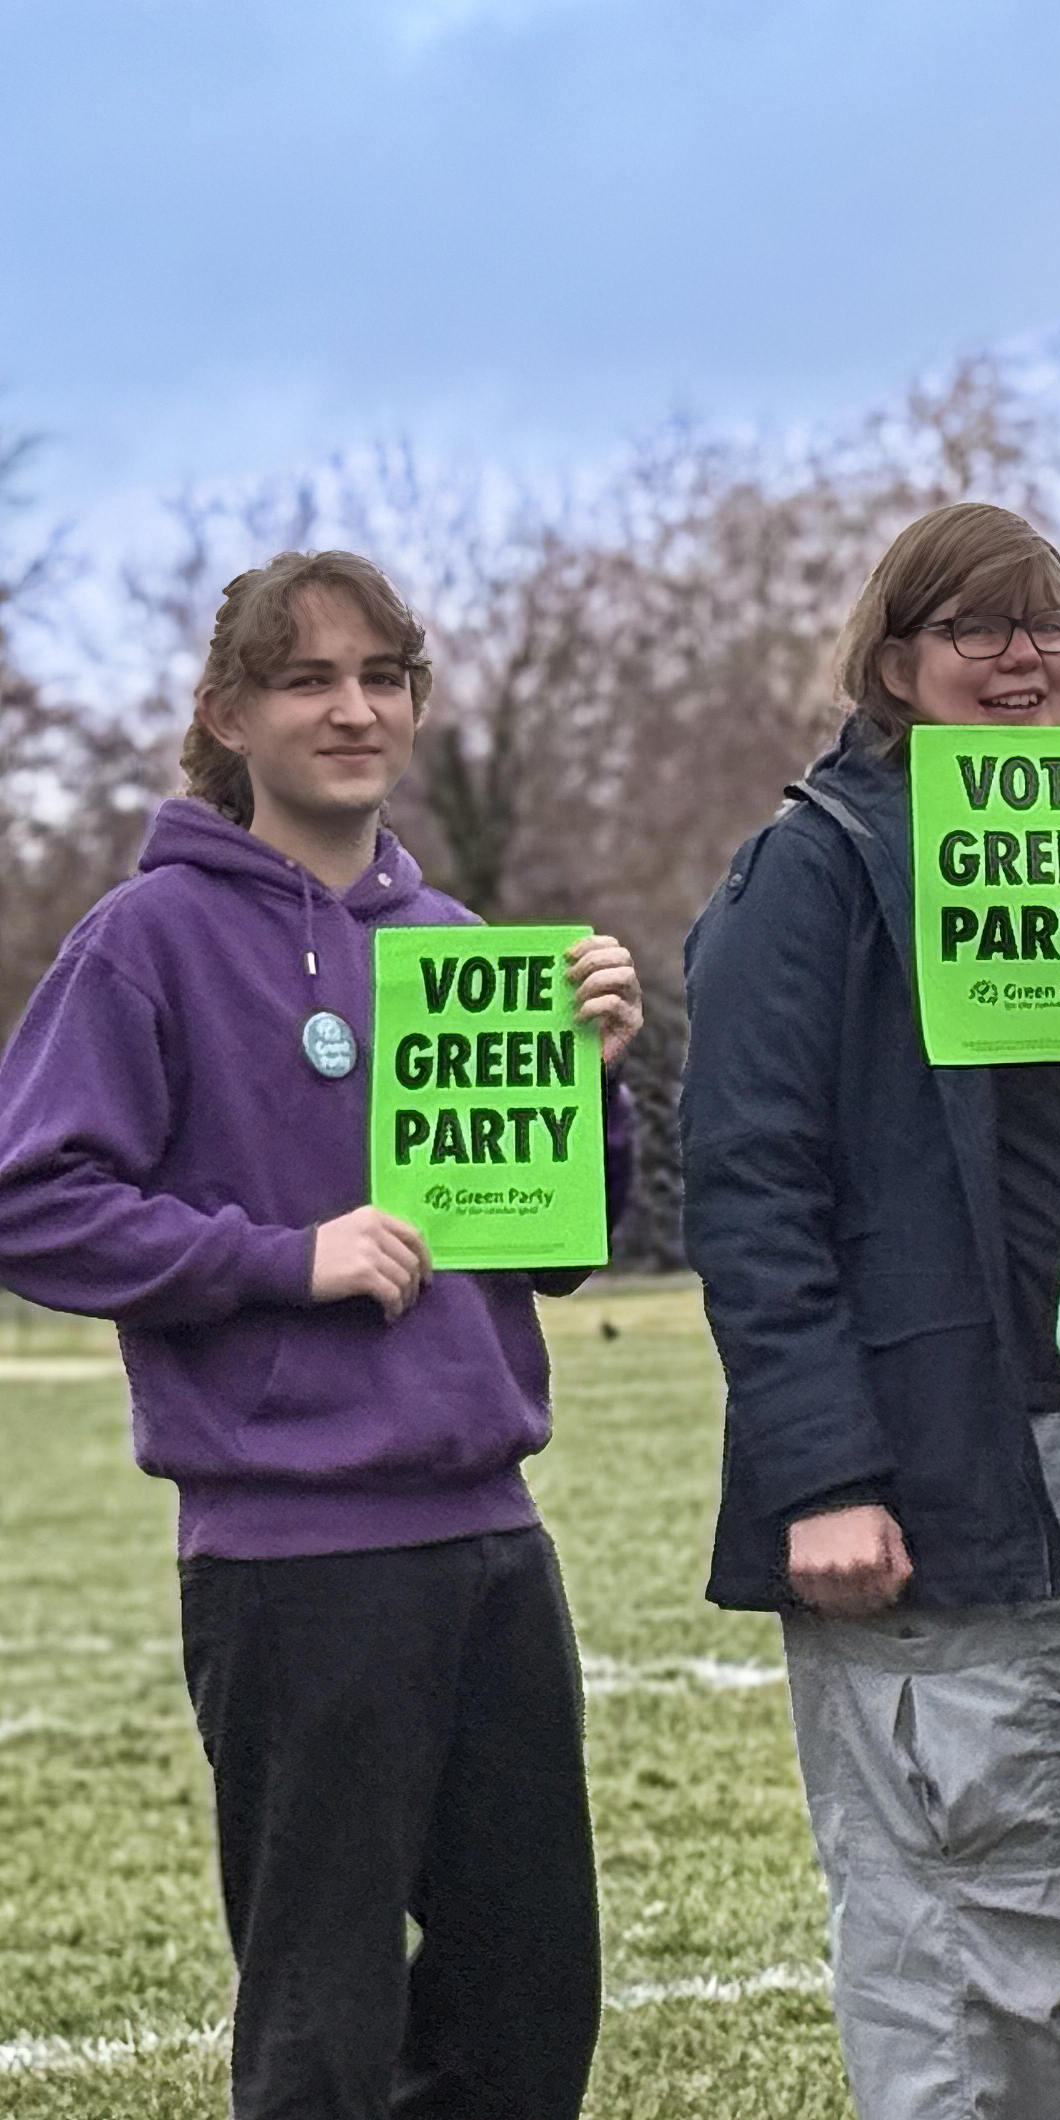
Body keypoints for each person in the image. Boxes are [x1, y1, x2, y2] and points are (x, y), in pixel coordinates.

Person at [0, 549, 642, 2119]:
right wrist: (286, 1261)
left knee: (526, 2006)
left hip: (493, 1540)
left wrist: (597, 1084)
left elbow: (554, 1250)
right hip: (293, 1558)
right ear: (228, 715)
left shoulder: (461, 942)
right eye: (308, 680)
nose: (354, 709)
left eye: (381, 678)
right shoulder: (146, 939)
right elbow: (32, 1201)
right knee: (322, 2025)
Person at [682, 501, 1060, 2120]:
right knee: (981, 1927)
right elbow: (750, 1186)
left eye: (1047, 624)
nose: (1021, 656)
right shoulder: (813, 866)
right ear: (895, 659)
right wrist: (824, 1474)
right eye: (977, 626)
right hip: (956, 1466)